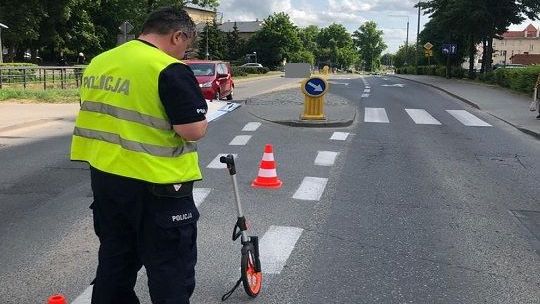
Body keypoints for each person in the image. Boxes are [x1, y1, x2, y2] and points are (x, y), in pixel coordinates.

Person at [70, 6, 208, 304]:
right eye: (187, 46)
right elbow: (193, 130)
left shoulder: (99, 62)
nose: (185, 53)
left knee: (115, 264)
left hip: (107, 181)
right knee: (170, 271)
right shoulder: (167, 68)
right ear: (178, 36)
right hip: (158, 187)